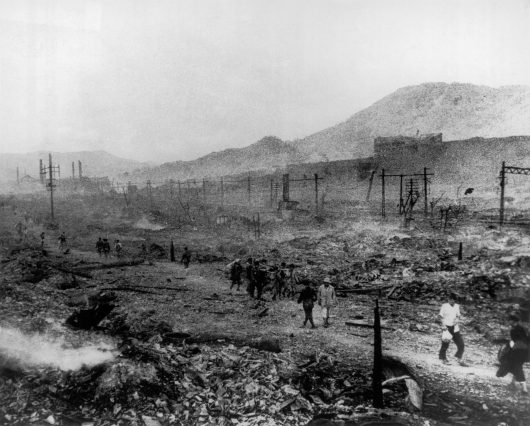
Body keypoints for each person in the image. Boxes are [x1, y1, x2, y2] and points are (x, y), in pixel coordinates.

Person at [496, 315, 529, 395]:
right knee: (517, 367)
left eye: (510, 320)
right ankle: (519, 385)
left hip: (518, 351)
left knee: (516, 367)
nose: (508, 322)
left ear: (514, 321)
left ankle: (524, 388)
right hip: (525, 351)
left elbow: (514, 341)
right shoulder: (524, 328)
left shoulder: (514, 330)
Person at [438, 293, 466, 366]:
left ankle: (459, 358)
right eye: (450, 299)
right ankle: (443, 358)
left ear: (455, 300)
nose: (451, 301)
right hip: (447, 327)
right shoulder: (444, 306)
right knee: (445, 344)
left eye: (453, 300)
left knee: (461, 344)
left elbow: (458, 315)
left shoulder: (457, 306)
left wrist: (457, 319)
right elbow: (440, 316)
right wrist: (443, 325)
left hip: (455, 327)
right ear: (448, 299)